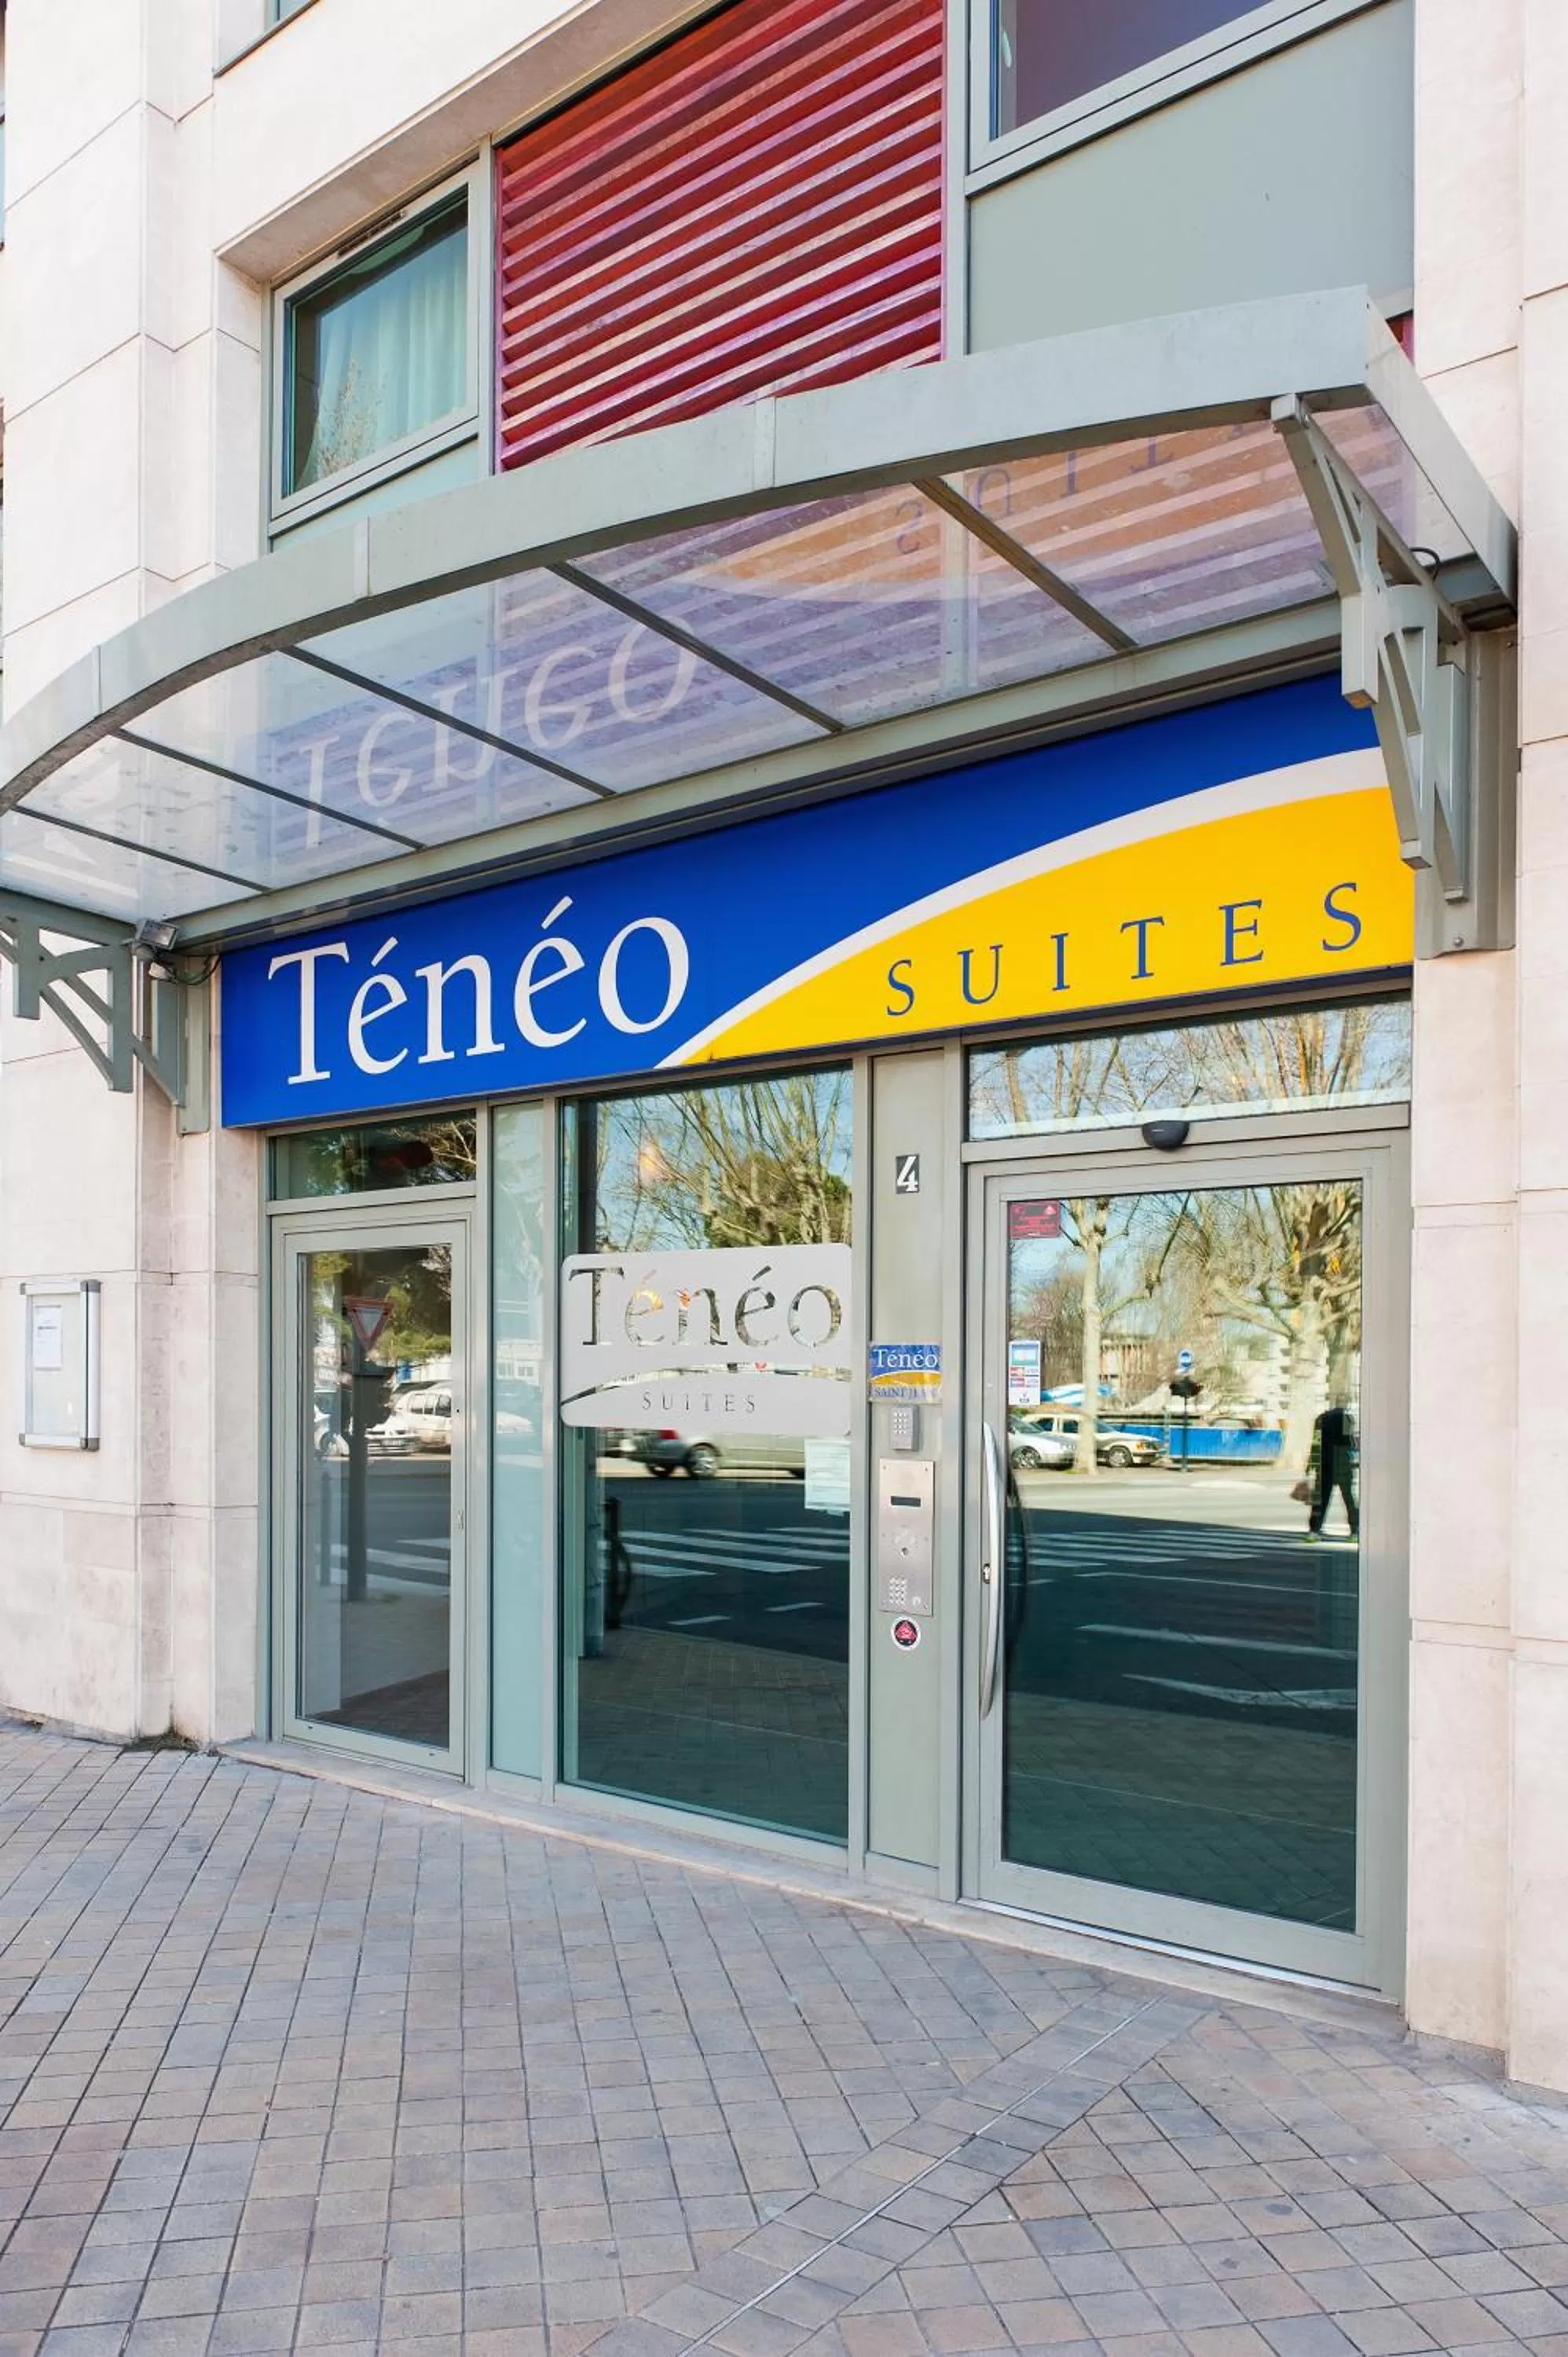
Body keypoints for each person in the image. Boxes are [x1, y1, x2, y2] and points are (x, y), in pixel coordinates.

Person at [1306, 1398, 1358, 1539]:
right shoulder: (1347, 1418)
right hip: (1342, 1463)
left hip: (1325, 1463)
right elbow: (1349, 1442)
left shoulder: (1320, 1419)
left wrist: (1311, 1464)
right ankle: (1355, 1531)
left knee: (1321, 1500)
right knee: (1349, 1499)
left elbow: (1316, 1443)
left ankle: (1314, 1530)